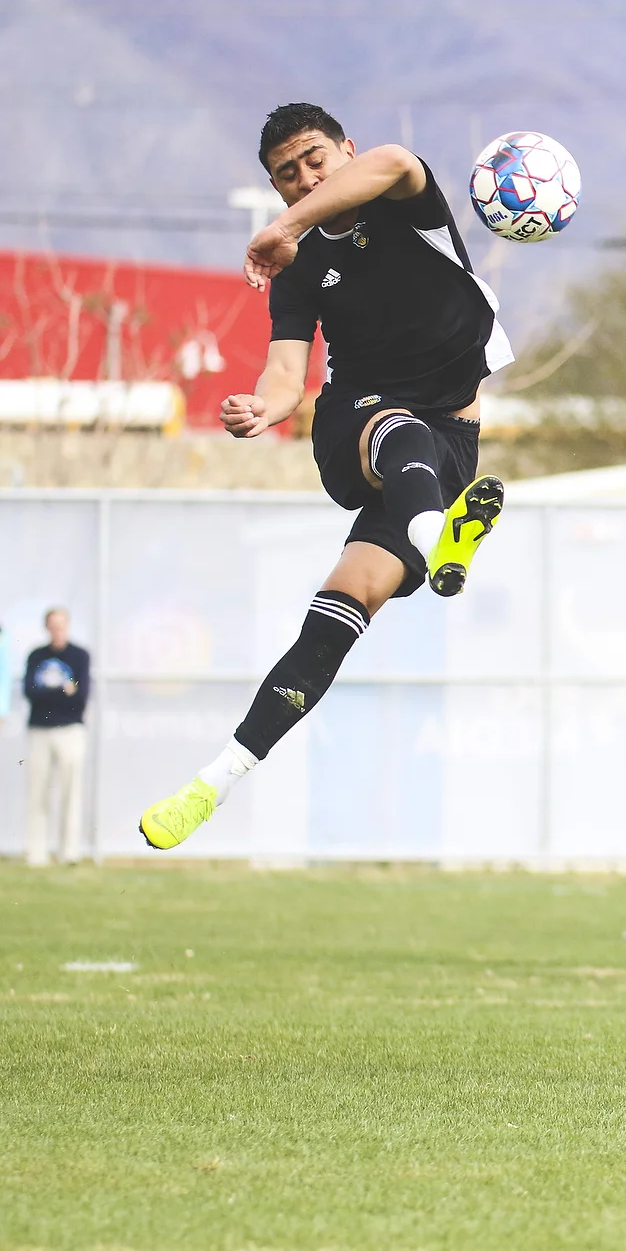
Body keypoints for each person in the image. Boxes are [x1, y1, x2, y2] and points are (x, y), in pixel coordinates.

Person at [139, 103, 510, 850]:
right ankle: (444, 539)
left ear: (346, 148)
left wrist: (288, 223)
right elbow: (285, 375)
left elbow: (398, 160)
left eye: (315, 159)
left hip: (449, 448)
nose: (304, 178)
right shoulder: (298, 266)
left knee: (336, 616)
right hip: (358, 425)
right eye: (286, 176)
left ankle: (215, 779)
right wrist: (259, 407)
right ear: (274, 187)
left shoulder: (406, 200)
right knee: (395, 431)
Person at [24, 608, 90, 866]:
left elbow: (81, 697)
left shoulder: (79, 656)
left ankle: (69, 851)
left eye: (61, 625)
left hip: (70, 730)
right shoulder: (36, 656)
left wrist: (53, 694)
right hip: (40, 729)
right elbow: (31, 692)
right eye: (53, 625)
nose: (57, 630)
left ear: (68, 626)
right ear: (47, 627)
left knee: (70, 791)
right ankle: (36, 853)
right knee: (37, 791)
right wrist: (62, 692)